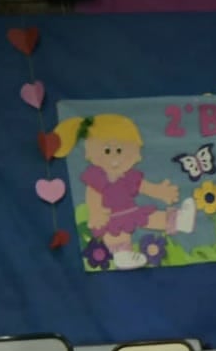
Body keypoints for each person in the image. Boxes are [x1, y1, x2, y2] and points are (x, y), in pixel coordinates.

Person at [51, 113, 195, 269]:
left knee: (152, 217)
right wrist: (96, 211)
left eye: (120, 150)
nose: (114, 157)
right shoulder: (97, 176)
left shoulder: (129, 176)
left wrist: (161, 191)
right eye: (107, 151)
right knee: (116, 235)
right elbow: (93, 194)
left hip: (132, 211)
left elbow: (145, 187)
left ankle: (181, 220)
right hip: (110, 217)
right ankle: (122, 256)